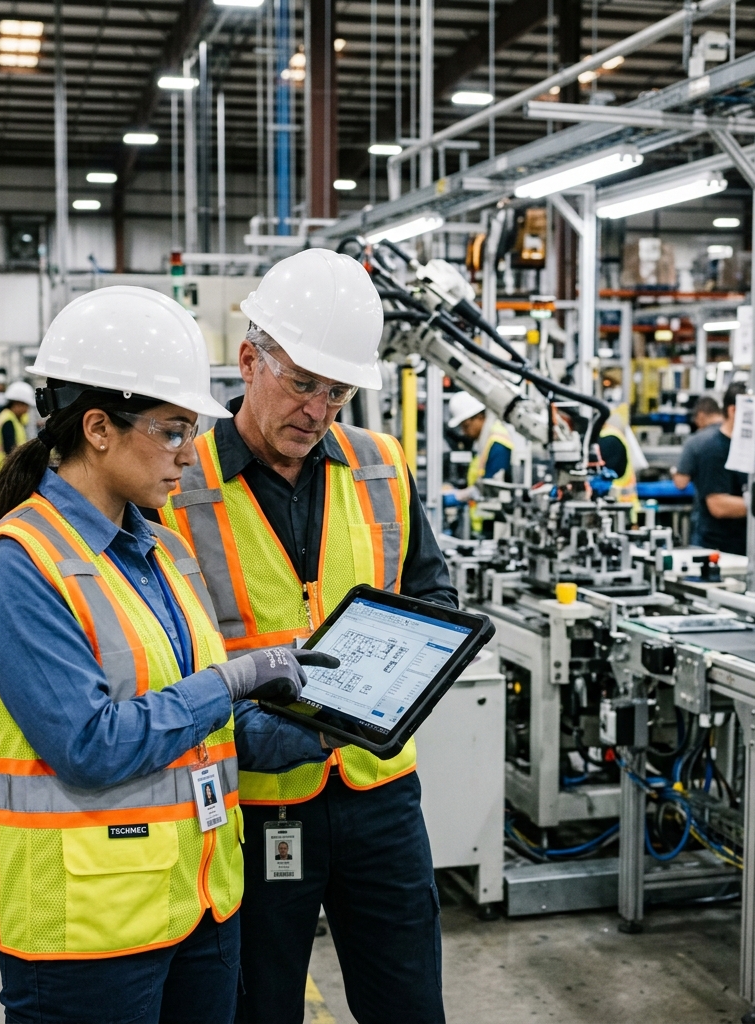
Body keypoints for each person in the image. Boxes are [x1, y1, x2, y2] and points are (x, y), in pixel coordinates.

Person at [0, 286, 338, 1024]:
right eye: (171, 431)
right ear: (98, 427)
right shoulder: (18, 566)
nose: (190, 457)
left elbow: (195, 730)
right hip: (88, 935)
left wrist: (317, 729)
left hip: (198, 908)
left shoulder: (157, 550)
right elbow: (92, 745)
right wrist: (234, 679)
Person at [160, 248, 456, 1024]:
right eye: (302, 383)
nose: (319, 409)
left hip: (379, 791)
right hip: (254, 801)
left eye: (338, 391)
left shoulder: (381, 464)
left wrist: (395, 687)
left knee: (410, 1002)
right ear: (250, 359)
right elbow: (157, 649)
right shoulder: (175, 484)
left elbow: (432, 592)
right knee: (259, 1004)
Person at [672, 381, 748, 554]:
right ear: (733, 410)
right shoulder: (712, 447)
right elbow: (718, 505)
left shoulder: (749, 446)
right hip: (716, 545)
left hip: (745, 543)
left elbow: (680, 480)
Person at [447, 390, 513, 535]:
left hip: (495, 524)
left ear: (479, 417)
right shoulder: (484, 442)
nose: (464, 432)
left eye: (465, 425)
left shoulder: (497, 443)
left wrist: (458, 496)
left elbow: (492, 487)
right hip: (484, 523)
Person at [0, 380, 35, 477]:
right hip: (2, 468)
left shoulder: (11, 417)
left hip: (3, 467)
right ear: (17, 404)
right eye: (26, 406)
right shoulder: (8, 420)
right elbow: (10, 448)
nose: (27, 409)